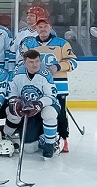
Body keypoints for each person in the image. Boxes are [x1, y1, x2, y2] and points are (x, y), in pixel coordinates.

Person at [23, 16, 77, 152]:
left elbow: (73, 62)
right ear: (36, 29)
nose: (43, 29)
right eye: (40, 27)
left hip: (59, 86)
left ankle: (64, 139)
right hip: (37, 87)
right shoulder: (29, 44)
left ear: (50, 27)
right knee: (40, 113)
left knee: (60, 114)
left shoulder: (62, 43)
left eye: (45, 26)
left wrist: (57, 67)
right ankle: (44, 138)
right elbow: (21, 62)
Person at [2, 49, 59, 159]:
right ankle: (8, 134)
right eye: (31, 62)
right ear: (24, 63)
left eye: (37, 61)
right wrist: (15, 101)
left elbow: (51, 96)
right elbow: (12, 92)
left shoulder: (45, 74)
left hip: (45, 106)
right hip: (26, 110)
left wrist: (39, 104)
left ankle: (50, 143)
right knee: (29, 149)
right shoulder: (17, 73)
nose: (35, 65)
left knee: (49, 113)